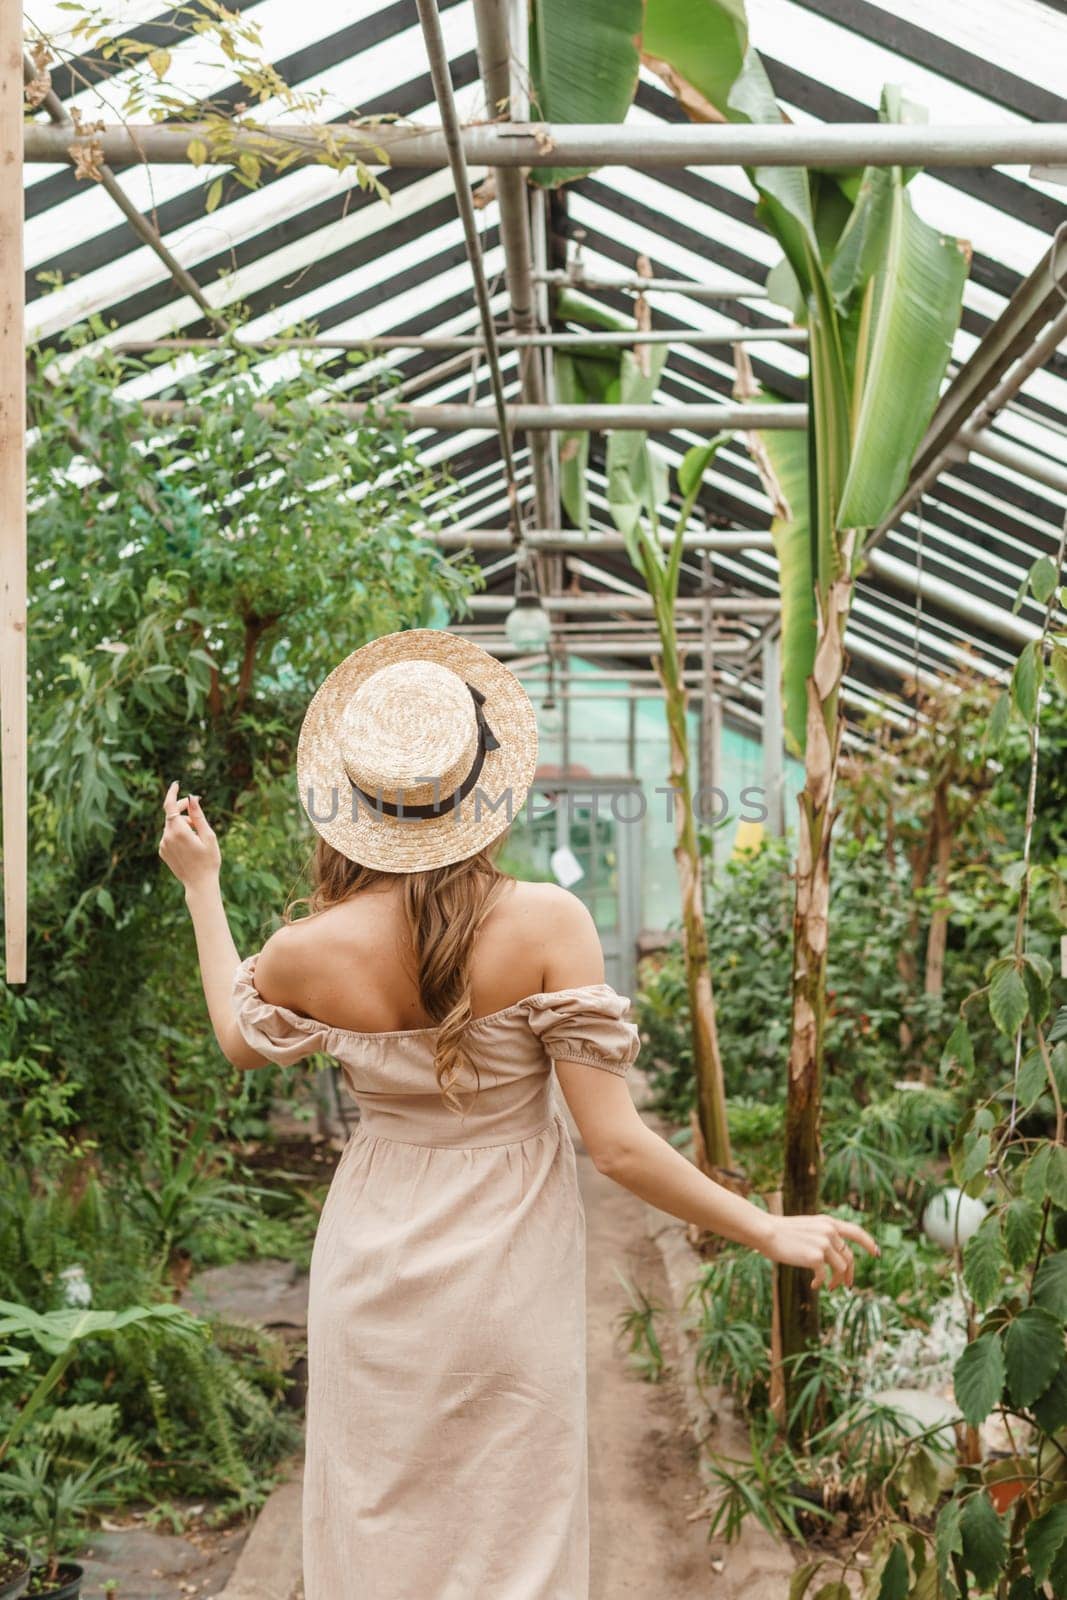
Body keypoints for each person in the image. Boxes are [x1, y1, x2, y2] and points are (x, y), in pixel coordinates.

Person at [158, 628, 878, 1600]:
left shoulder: (303, 949)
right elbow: (614, 1147)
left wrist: (202, 888)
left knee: (375, 1521)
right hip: (506, 1265)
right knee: (510, 1527)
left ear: (347, 805)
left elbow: (239, 1039)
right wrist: (763, 1226)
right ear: (481, 791)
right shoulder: (548, 924)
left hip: (370, 1264)